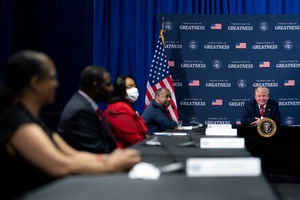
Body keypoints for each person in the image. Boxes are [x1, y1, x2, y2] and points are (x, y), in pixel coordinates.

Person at [0, 50, 140, 199]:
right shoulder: (17, 120)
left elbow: (72, 154)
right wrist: (111, 165)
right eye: (53, 77)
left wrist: (110, 158)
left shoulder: (33, 119)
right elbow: (60, 165)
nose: (56, 84)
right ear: (35, 83)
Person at [58, 66, 116, 153]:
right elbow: (96, 151)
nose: (112, 88)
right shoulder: (80, 112)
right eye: (108, 85)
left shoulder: (85, 105)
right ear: (96, 87)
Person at [104, 75, 148, 148]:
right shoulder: (119, 108)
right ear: (120, 90)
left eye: (134, 86)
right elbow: (133, 139)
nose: (134, 89)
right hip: (124, 152)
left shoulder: (126, 106)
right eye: (129, 87)